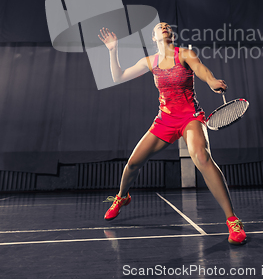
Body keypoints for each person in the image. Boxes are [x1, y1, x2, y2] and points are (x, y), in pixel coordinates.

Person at [98, 22, 246, 245]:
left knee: (203, 158)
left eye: (167, 26)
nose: (164, 27)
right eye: (160, 26)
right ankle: (122, 197)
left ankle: (233, 220)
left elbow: (201, 69)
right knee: (133, 164)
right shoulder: (150, 62)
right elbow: (118, 77)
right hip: (165, 120)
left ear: (171, 35)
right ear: (154, 37)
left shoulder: (184, 54)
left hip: (190, 117)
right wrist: (113, 51)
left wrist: (212, 80)